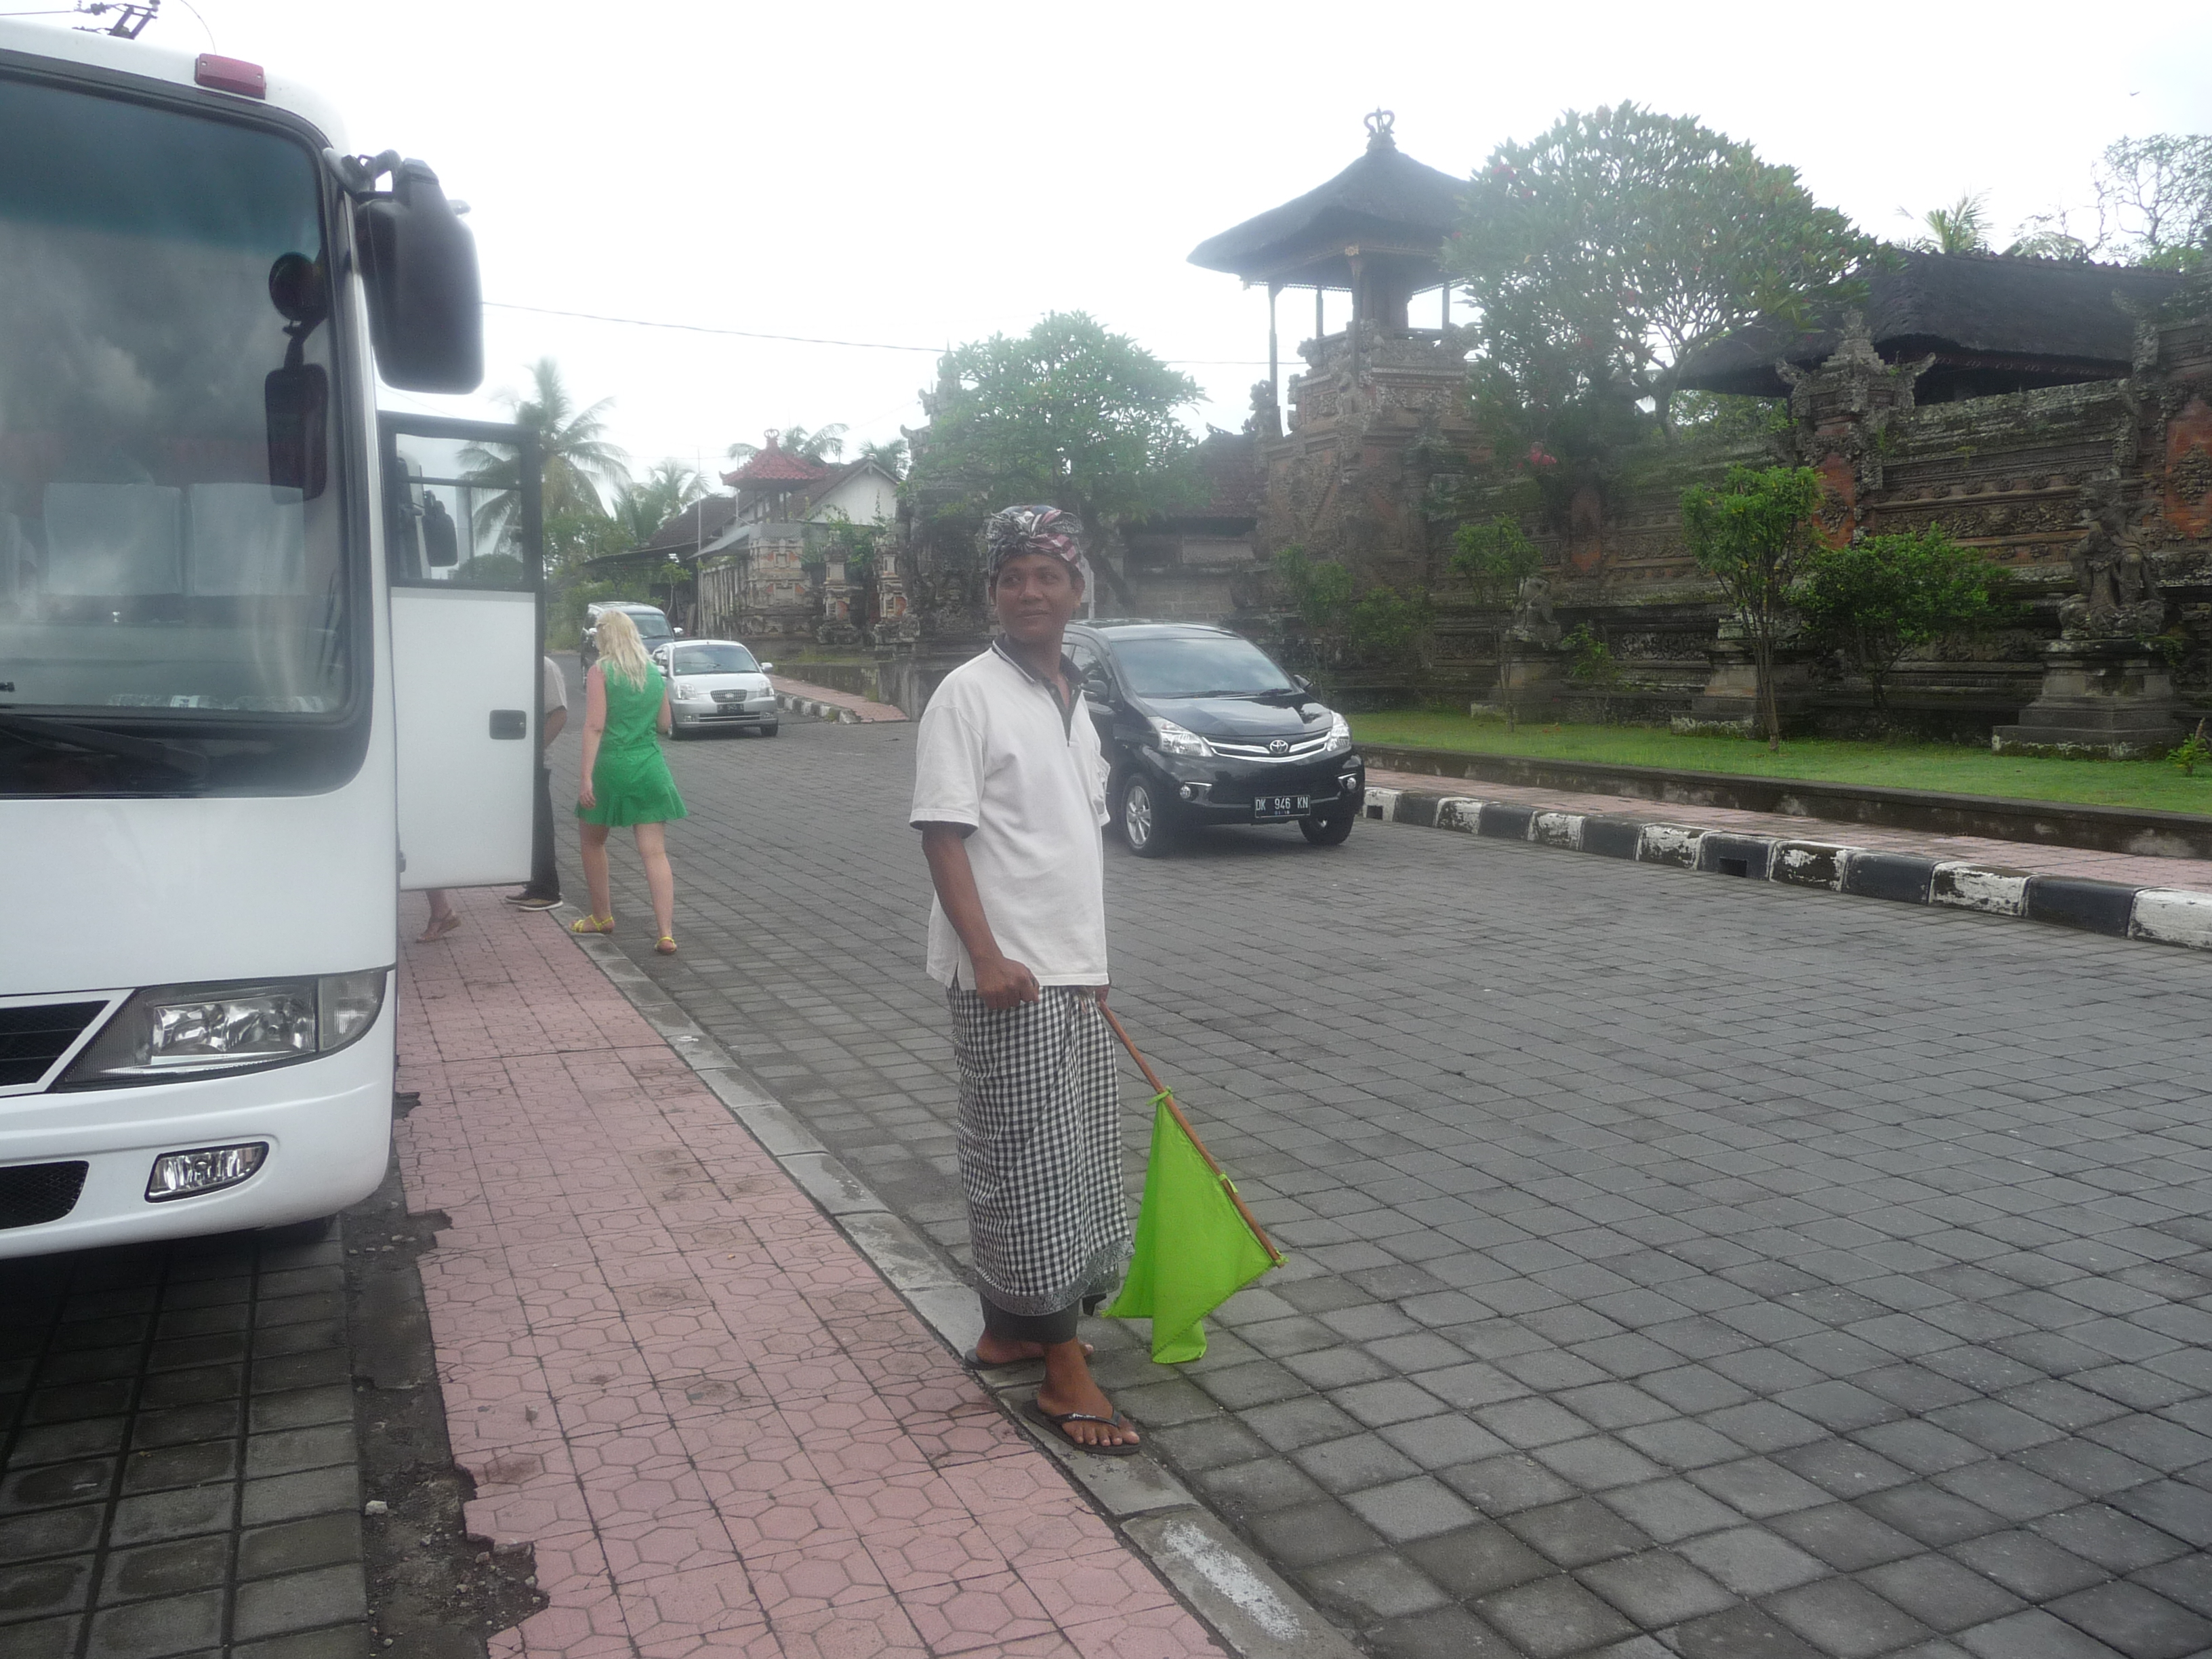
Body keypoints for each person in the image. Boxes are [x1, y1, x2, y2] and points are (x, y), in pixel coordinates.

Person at [909, 504, 1139, 1455]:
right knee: (1027, 1164)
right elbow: (942, 830)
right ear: (994, 592)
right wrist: (990, 953)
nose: (1031, 591)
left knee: (1069, 1160)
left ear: (1078, 586)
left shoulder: (1074, 697)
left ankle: (1011, 1326)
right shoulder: (968, 693)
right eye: (1013, 576)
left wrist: (1090, 969)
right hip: (1006, 977)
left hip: (1070, 974)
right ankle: (1062, 1365)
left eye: (1048, 573)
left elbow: (1066, 841)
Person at [570, 607, 686, 954]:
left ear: (604, 637)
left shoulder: (600, 671)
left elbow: (594, 726)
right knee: (655, 853)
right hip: (650, 767)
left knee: (593, 841)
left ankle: (602, 916)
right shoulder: (654, 672)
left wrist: (585, 777)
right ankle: (665, 933)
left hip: (612, 767)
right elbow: (665, 724)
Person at [505, 655, 571, 910]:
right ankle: (534, 886)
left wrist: (535, 751)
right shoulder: (521, 662)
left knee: (541, 825)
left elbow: (560, 714)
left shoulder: (545, 667)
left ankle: (548, 890)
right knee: (528, 826)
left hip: (536, 762)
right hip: (519, 759)